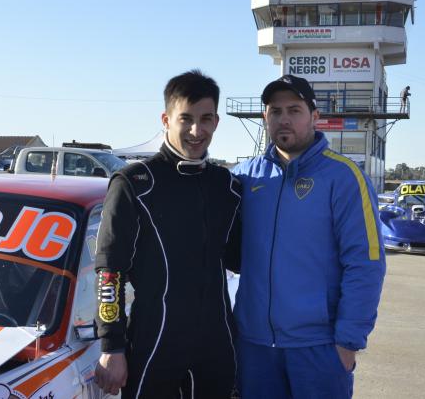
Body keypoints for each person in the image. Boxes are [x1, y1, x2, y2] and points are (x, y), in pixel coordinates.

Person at [232, 74, 386, 399]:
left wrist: (347, 343)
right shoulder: (244, 176)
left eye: (294, 110)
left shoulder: (344, 177)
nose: (284, 119)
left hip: (319, 348)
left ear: (315, 117)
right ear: (265, 118)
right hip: (255, 347)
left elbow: (366, 263)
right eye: (275, 111)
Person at [94, 70, 241, 398]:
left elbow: (244, 260)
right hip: (155, 344)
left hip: (217, 347)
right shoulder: (133, 183)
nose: (195, 130)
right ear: (165, 119)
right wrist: (112, 347)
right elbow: (109, 272)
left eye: (205, 119)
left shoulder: (227, 186)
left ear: (216, 121)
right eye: (185, 118)